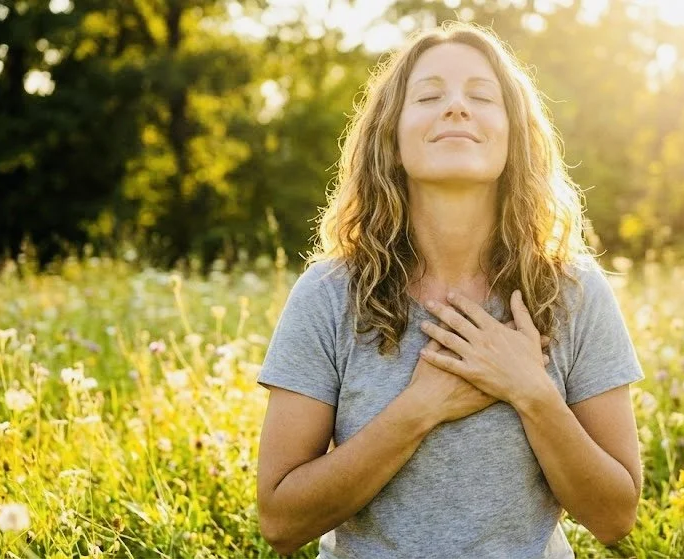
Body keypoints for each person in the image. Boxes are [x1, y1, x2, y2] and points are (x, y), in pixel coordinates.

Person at [254, 21, 645, 559]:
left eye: (481, 96)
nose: (457, 107)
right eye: (430, 96)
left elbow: (615, 516)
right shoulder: (328, 295)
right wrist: (419, 408)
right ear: (391, 139)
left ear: (514, 138)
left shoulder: (575, 293)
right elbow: (280, 520)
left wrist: (530, 390)